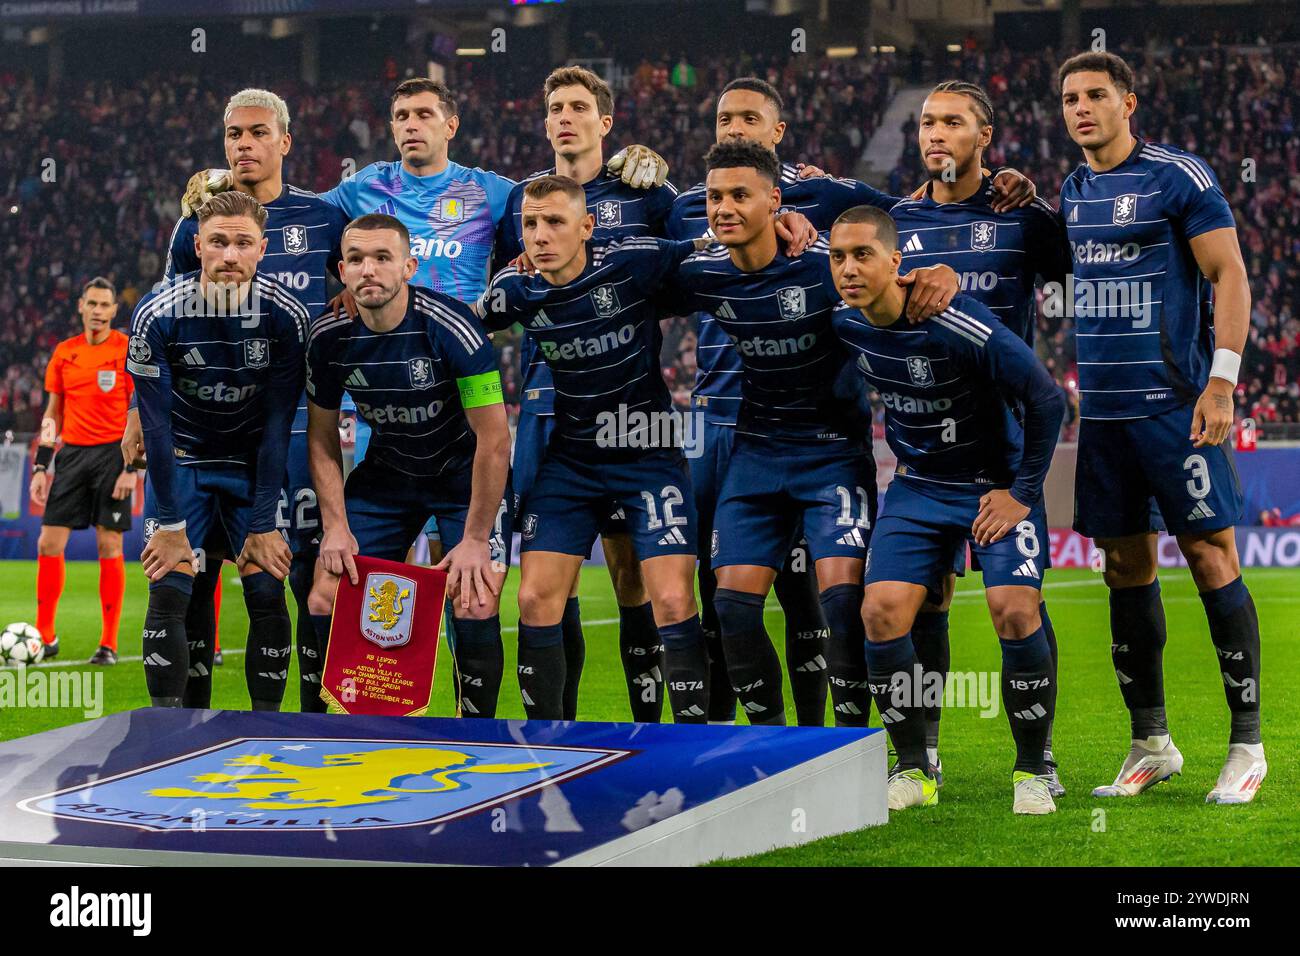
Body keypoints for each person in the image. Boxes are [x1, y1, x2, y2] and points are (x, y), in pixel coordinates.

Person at [663, 140, 959, 726]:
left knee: (841, 603)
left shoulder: (825, 266)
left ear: (775, 200)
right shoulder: (704, 273)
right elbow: (624, 272)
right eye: (715, 196)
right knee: (731, 607)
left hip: (832, 457)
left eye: (740, 195)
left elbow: (890, 270)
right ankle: (774, 746)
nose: (723, 207)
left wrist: (943, 272)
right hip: (756, 455)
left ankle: (848, 747)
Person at [1058, 52, 1265, 804]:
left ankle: (1247, 745)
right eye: (1070, 99)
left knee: (1212, 556)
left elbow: (1230, 274)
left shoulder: (1180, 175)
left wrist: (1223, 379)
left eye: (1096, 96)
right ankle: (1152, 743)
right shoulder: (1073, 189)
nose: (1081, 108)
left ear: (1129, 102)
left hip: (1177, 409)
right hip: (1105, 419)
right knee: (1124, 570)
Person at [829, 205, 1066, 813]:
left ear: (896, 262)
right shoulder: (845, 323)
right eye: (838, 257)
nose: (849, 269)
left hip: (995, 485)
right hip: (918, 485)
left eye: (863, 256)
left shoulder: (956, 319)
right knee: (880, 613)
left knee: (1014, 610)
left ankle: (1033, 769)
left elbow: (1044, 398)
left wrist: (1022, 494)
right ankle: (915, 769)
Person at [886, 79, 1072, 792]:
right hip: (926, 450)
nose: (935, 133)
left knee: (1016, 605)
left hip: (1005, 448)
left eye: (953, 122)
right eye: (928, 121)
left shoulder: (1019, 218)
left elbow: (1076, 253)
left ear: (984, 137)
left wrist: (1037, 198)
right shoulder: (894, 223)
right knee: (921, 600)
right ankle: (923, 751)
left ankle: (1040, 757)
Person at [479, 176, 712, 722]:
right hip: (572, 461)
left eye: (555, 222)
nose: (539, 235)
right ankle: (546, 746)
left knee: (674, 602)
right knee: (534, 600)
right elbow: (458, 329)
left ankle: (692, 750)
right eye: (530, 224)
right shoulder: (517, 291)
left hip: (647, 455)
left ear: (587, 227)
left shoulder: (632, 260)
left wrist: (787, 224)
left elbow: (710, 249)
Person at [495, 66, 681, 722]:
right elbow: (492, 291)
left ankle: (649, 733)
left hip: (630, 414)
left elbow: (694, 248)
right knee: (552, 583)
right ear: (544, 123)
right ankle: (559, 730)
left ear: (605, 122)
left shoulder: (642, 188)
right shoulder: (522, 202)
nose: (566, 117)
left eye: (579, 106)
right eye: (555, 108)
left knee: (635, 575)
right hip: (547, 414)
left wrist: (669, 177)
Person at [305, 214, 511, 718]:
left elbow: (494, 438)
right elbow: (321, 435)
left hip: (462, 477)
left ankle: (476, 733)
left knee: (474, 598)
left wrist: (476, 539)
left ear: (409, 266)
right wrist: (334, 527)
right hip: (388, 475)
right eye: (355, 259)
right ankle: (310, 729)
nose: (368, 269)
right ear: (342, 271)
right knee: (325, 592)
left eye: (381, 258)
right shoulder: (328, 338)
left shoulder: (454, 329)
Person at [128, 191, 308, 710]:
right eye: (219, 242)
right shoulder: (157, 313)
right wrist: (168, 524)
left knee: (268, 586)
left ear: (263, 248)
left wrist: (261, 523)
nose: (230, 255)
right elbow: (157, 429)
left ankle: (266, 729)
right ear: (199, 246)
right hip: (182, 459)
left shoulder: (284, 316)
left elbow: (278, 424)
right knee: (170, 585)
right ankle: (166, 732)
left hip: (252, 464)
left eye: (243, 243)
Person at [30, 277, 134, 666]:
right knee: (47, 543)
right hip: (71, 455)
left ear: (113, 310)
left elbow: (136, 412)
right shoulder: (65, 352)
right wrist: (42, 465)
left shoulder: (125, 350)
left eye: (104, 305)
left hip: (113, 454)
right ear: (80, 306)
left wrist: (132, 468)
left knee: (110, 546)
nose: (97, 311)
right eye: (91, 303)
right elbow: (52, 413)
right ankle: (45, 637)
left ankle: (107, 643)